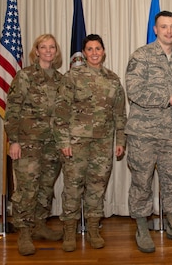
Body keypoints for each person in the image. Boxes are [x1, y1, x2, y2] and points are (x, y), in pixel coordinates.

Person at [125, 10, 172, 253]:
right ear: (156, 29)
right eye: (164, 27)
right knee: (142, 182)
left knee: (171, 181)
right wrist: (168, 99)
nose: (168, 31)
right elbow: (133, 91)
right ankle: (142, 227)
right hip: (143, 133)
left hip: (170, 134)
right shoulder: (141, 56)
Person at [54, 34, 127, 251]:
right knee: (73, 187)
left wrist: (120, 140)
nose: (94, 53)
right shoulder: (72, 77)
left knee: (97, 187)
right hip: (76, 142)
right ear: (84, 53)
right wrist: (63, 141)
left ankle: (94, 229)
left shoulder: (113, 79)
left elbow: (119, 114)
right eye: (90, 49)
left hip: (103, 143)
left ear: (104, 51)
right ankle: (69, 231)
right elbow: (60, 112)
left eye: (98, 49)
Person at [4, 34, 64, 256]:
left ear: (56, 51)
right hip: (28, 141)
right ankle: (24, 231)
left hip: (52, 143)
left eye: (52, 47)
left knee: (46, 186)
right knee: (27, 188)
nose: (48, 50)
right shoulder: (25, 76)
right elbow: (13, 109)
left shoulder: (60, 80)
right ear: (36, 51)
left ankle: (39, 225)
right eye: (43, 47)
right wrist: (14, 140)